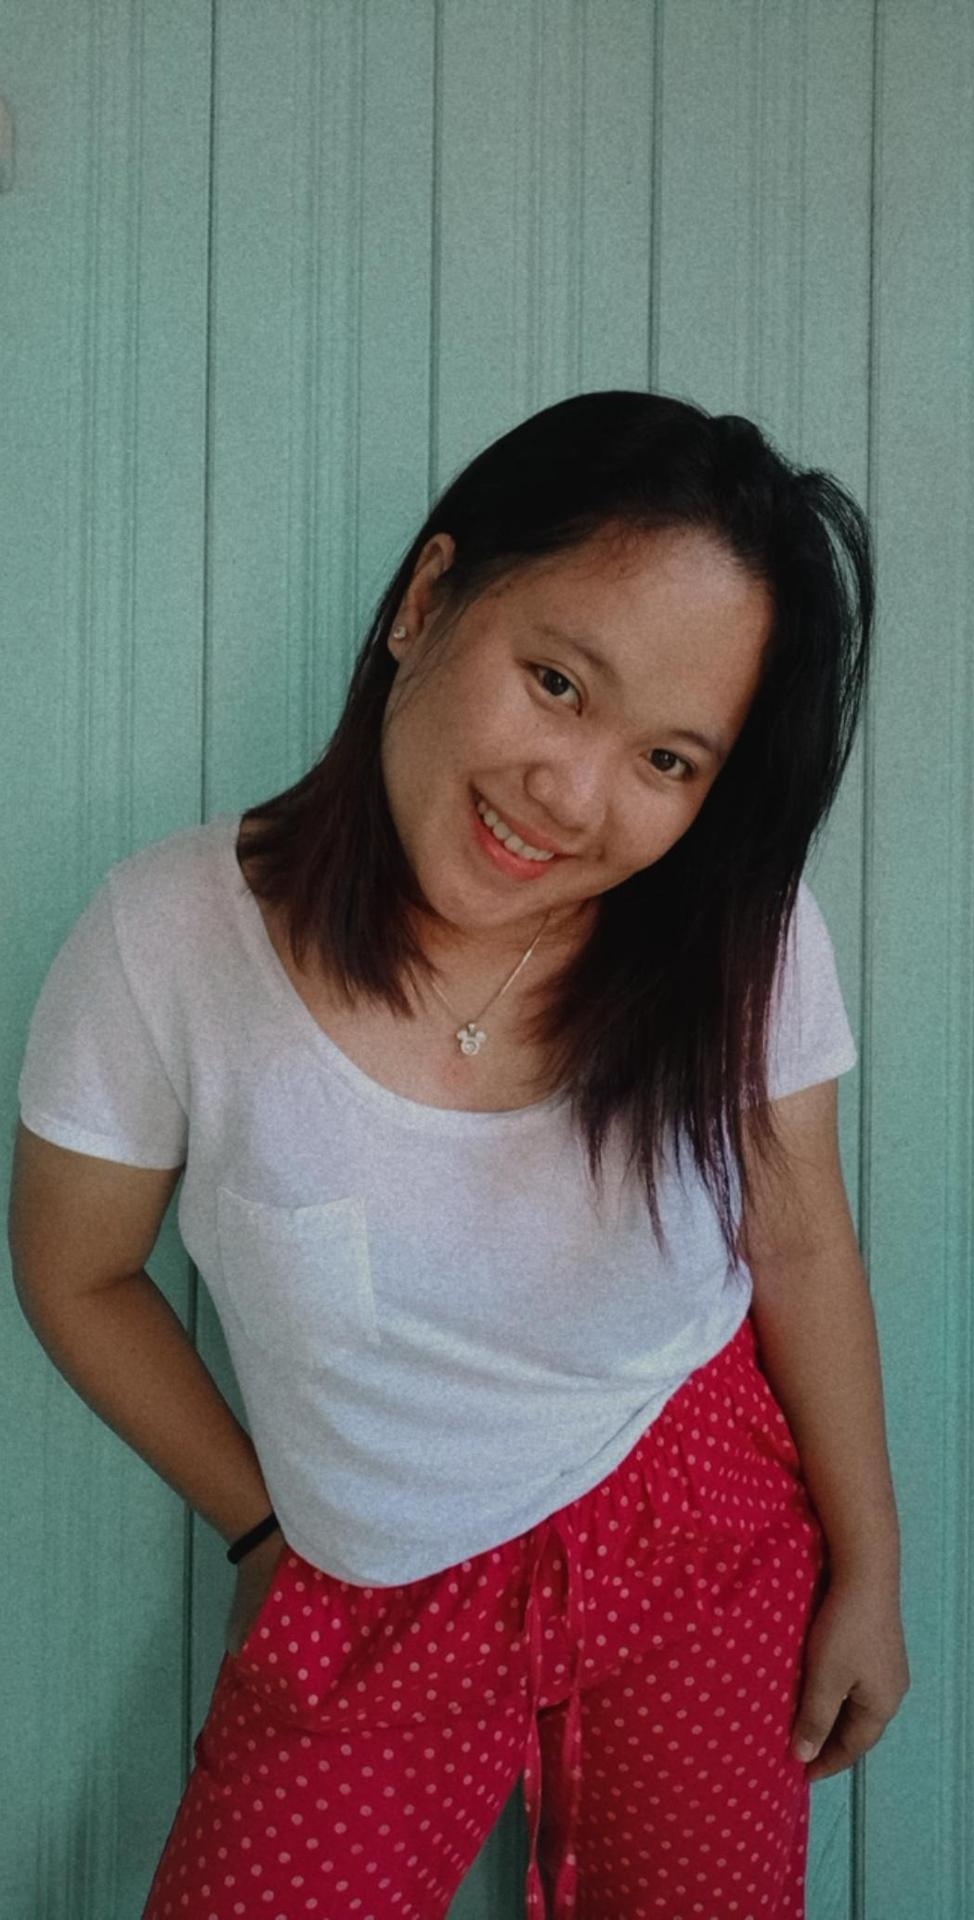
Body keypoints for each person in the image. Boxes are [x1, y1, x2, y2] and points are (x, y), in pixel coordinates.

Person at [9, 391, 909, 1920]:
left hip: (700, 1518)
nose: (573, 794)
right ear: (428, 599)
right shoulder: (167, 942)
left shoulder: (736, 937)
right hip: (374, 1572)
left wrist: (872, 1569)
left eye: (669, 760)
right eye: (556, 681)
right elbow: (75, 1270)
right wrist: (261, 1522)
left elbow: (801, 1236)